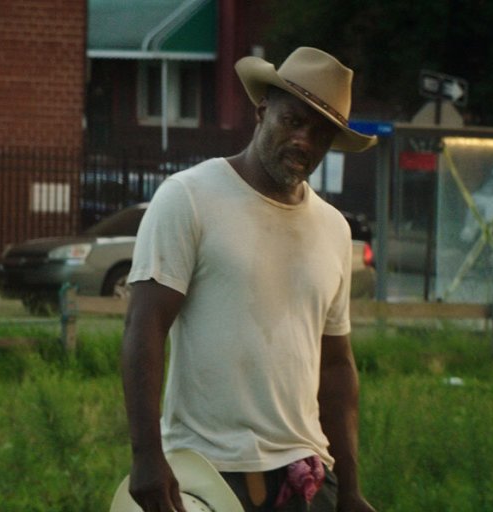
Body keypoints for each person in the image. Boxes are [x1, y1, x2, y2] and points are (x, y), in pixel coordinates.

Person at [119, 47, 378, 512]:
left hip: (309, 479)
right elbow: (144, 326)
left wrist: (351, 487)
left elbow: (337, 365)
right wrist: (146, 457)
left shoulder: (334, 228)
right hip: (208, 475)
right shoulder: (190, 197)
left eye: (320, 133)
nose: (303, 140)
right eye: (293, 121)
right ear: (262, 111)